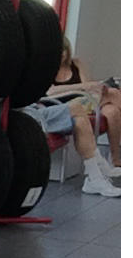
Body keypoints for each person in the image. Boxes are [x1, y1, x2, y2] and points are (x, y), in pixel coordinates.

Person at [24, 35, 121, 197]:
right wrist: (85, 86)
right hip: (50, 106)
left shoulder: (76, 64)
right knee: (88, 106)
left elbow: (88, 89)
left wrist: (93, 88)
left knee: (90, 115)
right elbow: (50, 92)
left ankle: (94, 178)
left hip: (75, 104)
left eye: (64, 50)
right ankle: (100, 167)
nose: (62, 54)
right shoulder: (44, 67)